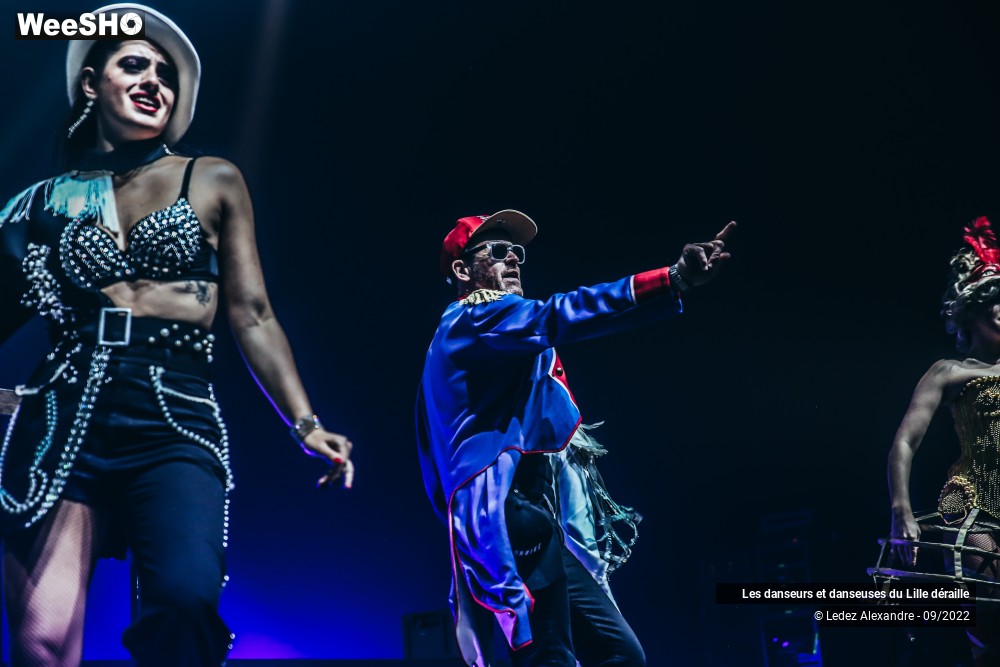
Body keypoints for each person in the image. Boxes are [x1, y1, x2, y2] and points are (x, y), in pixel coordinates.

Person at [0, 5, 354, 665]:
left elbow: (252, 313)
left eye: (166, 74)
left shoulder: (211, 177)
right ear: (90, 83)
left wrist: (304, 422)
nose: (154, 81)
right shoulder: (43, 202)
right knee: (40, 643)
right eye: (134, 63)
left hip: (173, 413)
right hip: (62, 415)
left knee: (186, 601)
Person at [416, 210, 734, 666]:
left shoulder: (481, 331)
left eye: (518, 253)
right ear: (464, 270)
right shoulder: (477, 318)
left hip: (532, 515)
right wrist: (673, 279)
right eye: (499, 252)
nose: (514, 261)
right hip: (510, 515)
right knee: (550, 657)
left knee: (618, 653)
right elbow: (563, 313)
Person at [886, 216, 1000, 666]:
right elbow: (905, 443)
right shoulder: (949, 372)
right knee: (993, 619)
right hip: (974, 503)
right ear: (974, 309)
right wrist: (902, 512)